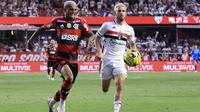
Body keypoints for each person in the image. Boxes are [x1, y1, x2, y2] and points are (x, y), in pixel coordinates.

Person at [27, 1, 94, 112]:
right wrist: (31, 40)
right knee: (69, 78)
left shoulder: (81, 22)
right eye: (70, 9)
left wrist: (90, 42)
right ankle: (62, 106)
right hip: (60, 58)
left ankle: (52, 102)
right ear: (64, 10)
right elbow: (42, 29)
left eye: (75, 9)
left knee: (66, 86)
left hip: (74, 59)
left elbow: (91, 35)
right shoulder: (57, 21)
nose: (73, 11)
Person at [95, 3, 137, 112]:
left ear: (126, 12)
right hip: (107, 60)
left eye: (123, 11)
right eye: (119, 11)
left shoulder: (130, 29)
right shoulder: (107, 25)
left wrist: (135, 57)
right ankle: (108, 73)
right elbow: (97, 38)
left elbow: (132, 46)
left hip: (120, 60)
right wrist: (99, 51)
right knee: (105, 89)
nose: (121, 13)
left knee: (119, 84)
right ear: (115, 12)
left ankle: (116, 109)